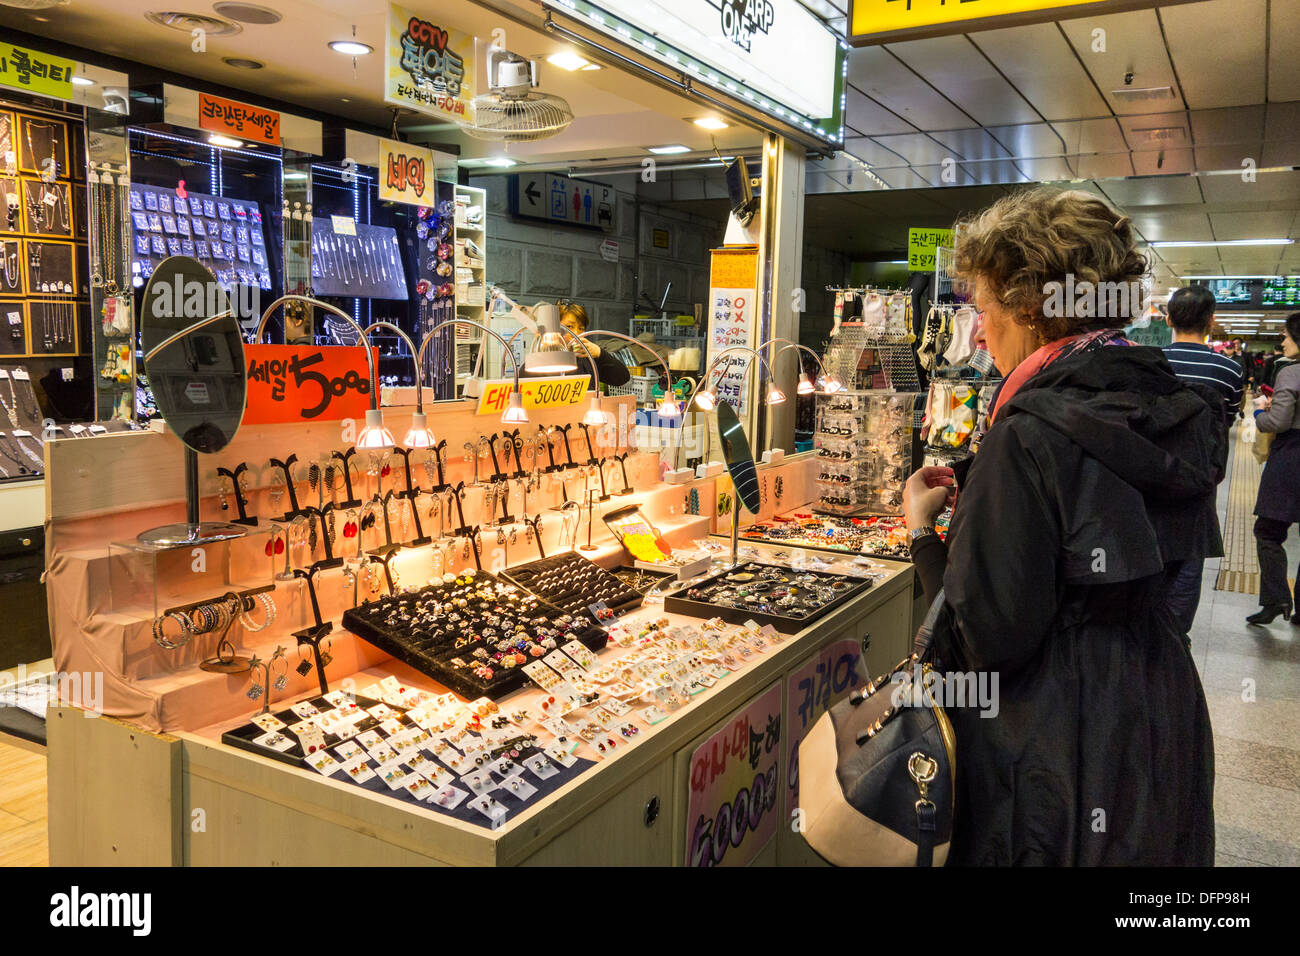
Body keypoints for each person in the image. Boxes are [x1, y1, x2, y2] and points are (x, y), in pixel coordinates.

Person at [902, 186, 1220, 865]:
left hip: (1053, 751)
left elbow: (985, 638)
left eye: (982, 307)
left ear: (1029, 304)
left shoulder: (1027, 435)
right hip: (1158, 720)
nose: (978, 329)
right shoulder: (1170, 407)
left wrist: (924, 536)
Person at [1158, 286, 1238, 639]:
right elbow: (1227, 422)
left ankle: (1143, 627)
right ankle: (1176, 635)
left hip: (1151, 472)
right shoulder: (1230, 370)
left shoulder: (1152, 361)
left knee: (1148, 544)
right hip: (1199, 475)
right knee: (1189, 557)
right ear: (1212, 321)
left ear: (1167, 319)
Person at [1247, 312, 1300, 625]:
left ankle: (1277, 598)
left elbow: (1278, 421)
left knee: (1268, 531)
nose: (1283, 341)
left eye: (1287, 335)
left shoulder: (1291, 373)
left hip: (1291, 455)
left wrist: (1258, 413)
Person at [556, 303, 631, 388]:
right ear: (554, 327)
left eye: (581, 328)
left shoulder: (586, 356)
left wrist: (600, 353)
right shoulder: (545, 356)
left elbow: (622, 378)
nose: (576, 334)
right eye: (569, 326)